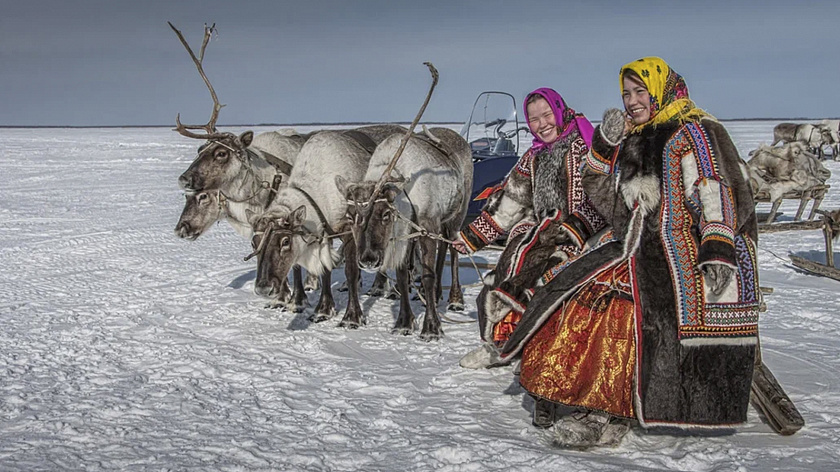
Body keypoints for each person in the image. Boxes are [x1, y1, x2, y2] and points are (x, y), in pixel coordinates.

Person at [498, 57, 760, 448]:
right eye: (626, 93)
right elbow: (605, 197)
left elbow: (717, 190)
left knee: (620, 311)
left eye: (640, 92)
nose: (633, 100)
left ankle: (606, 413)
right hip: (636, 245)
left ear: (660, 91)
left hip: (684, 251)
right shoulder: (637, 138)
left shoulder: (696, 131)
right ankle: (571, 395)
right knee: (570, 290)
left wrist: (717, 247)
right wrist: (605, 144)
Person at [453, 88, 606, 370]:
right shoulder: (533, 156)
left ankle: (545, 352)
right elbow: (512, 199)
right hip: (545, 231)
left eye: (547, 115)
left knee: (544, 277)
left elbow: (602, 197)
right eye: (534, 119)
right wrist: (471, 237)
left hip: (585, 234)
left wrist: (572, 230)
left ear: (560, 112)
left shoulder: (584, 147)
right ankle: (499, 345)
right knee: (508, 267)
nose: (542, 124)